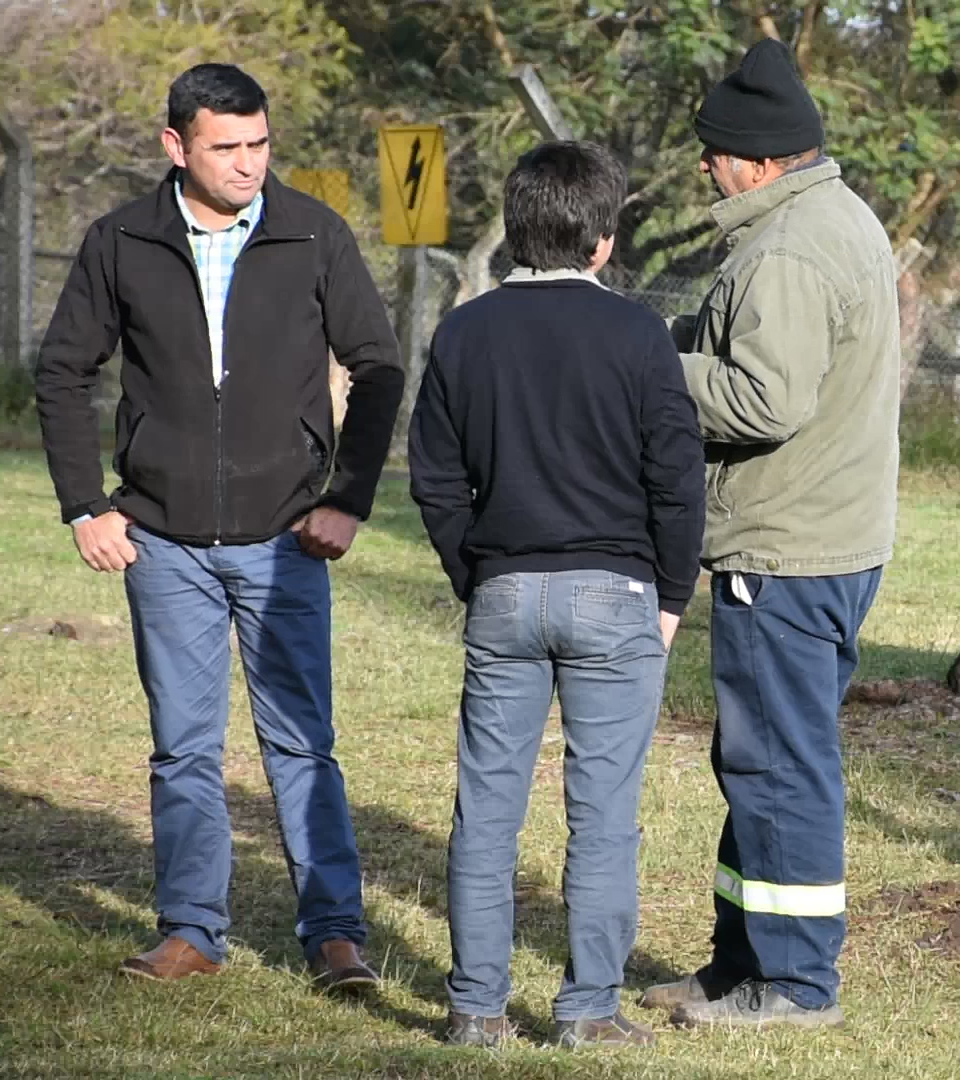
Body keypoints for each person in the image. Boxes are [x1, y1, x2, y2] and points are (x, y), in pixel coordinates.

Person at [32, 63, 403, 989]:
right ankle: (192, 930)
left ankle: (334, 936)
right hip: (161, 540)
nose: (248, 164)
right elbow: (62, 373)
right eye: (227, 147)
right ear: (176, 146)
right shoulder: (118, 239)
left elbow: (379, 367)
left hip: (287, 537)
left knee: (302, 742)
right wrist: (86, 504)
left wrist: (346, 498)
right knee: (184, 745)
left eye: (260, 144)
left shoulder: (315, 232)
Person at [407, 140, 705, 1050]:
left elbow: (434, 478)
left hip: (503, 590)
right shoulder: (638, 335)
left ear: (513, 230)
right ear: (605, 241)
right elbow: (676, 479)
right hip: (616, 592)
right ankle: (587, 1012)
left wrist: (478, 571)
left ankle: (474, 1008)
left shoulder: (462, 331)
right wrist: (672, 594)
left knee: (486, 811)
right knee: (603, 815)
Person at [639, 39, 900, 1030]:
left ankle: (793, 985)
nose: (706, 166)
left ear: (755, 158)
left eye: (713, 152)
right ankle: (740, 963)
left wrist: (653, 368)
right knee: (762, 758)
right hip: (829, 537)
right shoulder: (835, 218)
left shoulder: (786, 249)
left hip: (786, 549)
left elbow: (763, 399)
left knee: (778, 764)